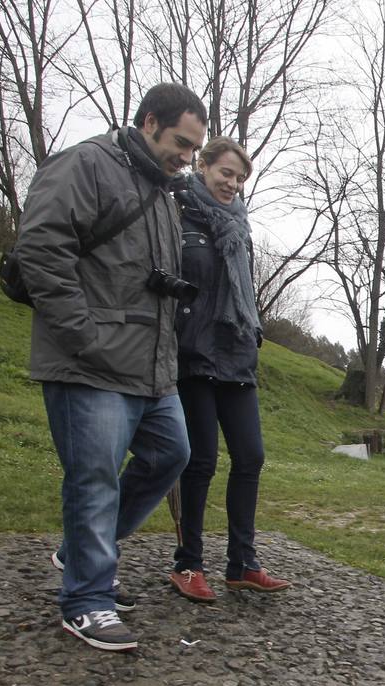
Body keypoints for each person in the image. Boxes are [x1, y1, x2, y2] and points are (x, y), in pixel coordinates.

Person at [15, 83, 208, 651]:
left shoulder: (165, 194)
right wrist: (81, 333)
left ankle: (82, 554)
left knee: (172, 454)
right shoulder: (85, 163)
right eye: (181, 142)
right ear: (150, 121)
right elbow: (41, 247)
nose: (188, 157)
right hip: (89, 362)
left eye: (195, 148)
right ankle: (87, 600)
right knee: (94, 477)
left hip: (151, 368)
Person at [167, 136, 290, 601]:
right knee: (200, 461)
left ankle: (242, 562)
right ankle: (188, 563)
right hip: (194, 352)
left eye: (240, 178)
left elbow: (244, 294)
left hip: (237, 352)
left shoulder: (239, 226)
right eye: (226, 173)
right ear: (203, 165)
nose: (232, 184)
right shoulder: (176, 211)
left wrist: (252, 334)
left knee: (251, 456)